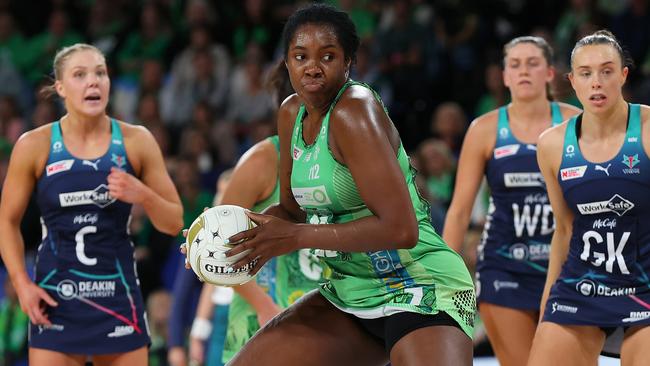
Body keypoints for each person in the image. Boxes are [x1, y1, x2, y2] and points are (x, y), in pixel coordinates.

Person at [219, 4, 475, 365]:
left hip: (418, 285)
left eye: (327, 56)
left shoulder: (354, 109)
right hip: (350, 290)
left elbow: (401, 229)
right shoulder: (291, 113)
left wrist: (295, 237)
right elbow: (291, 211)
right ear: (286, 63)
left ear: (348, 62)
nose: (312, 67)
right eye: (300, 56)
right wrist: (223, 239)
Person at [0, 43, 183, 365]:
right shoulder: (34, 145)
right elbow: (7, 222)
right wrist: (21, 283)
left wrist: (143, 194)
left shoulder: (136, 141)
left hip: (117, 296)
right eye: (80, 75)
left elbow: (173, 222)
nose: (93, 82)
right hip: (56, 297)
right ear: (60, 87)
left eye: (100, 73)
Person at [442, 36, 581, 365]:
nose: (523, 71)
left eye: (533, 63)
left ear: (549, 72)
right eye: (515, 65)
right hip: (504, 269)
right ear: (504, 76)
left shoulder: (575, 122)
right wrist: (443, 279)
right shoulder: (485, 129)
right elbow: (460, 211)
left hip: (568, 267)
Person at [528, 30, 650, 364]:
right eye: (586, 73)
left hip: (644, 287)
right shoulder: (552, 144)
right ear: (572, 81)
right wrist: (546, 307)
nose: (596, 81)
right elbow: (564, 230)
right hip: (582, 286)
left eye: (607, 71)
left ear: (624, 75)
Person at [189, 133, 322, 366]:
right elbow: (218, 254)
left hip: (321, 319)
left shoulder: (347, 156)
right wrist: (264, 306)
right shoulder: (261, 161)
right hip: (255, 316)